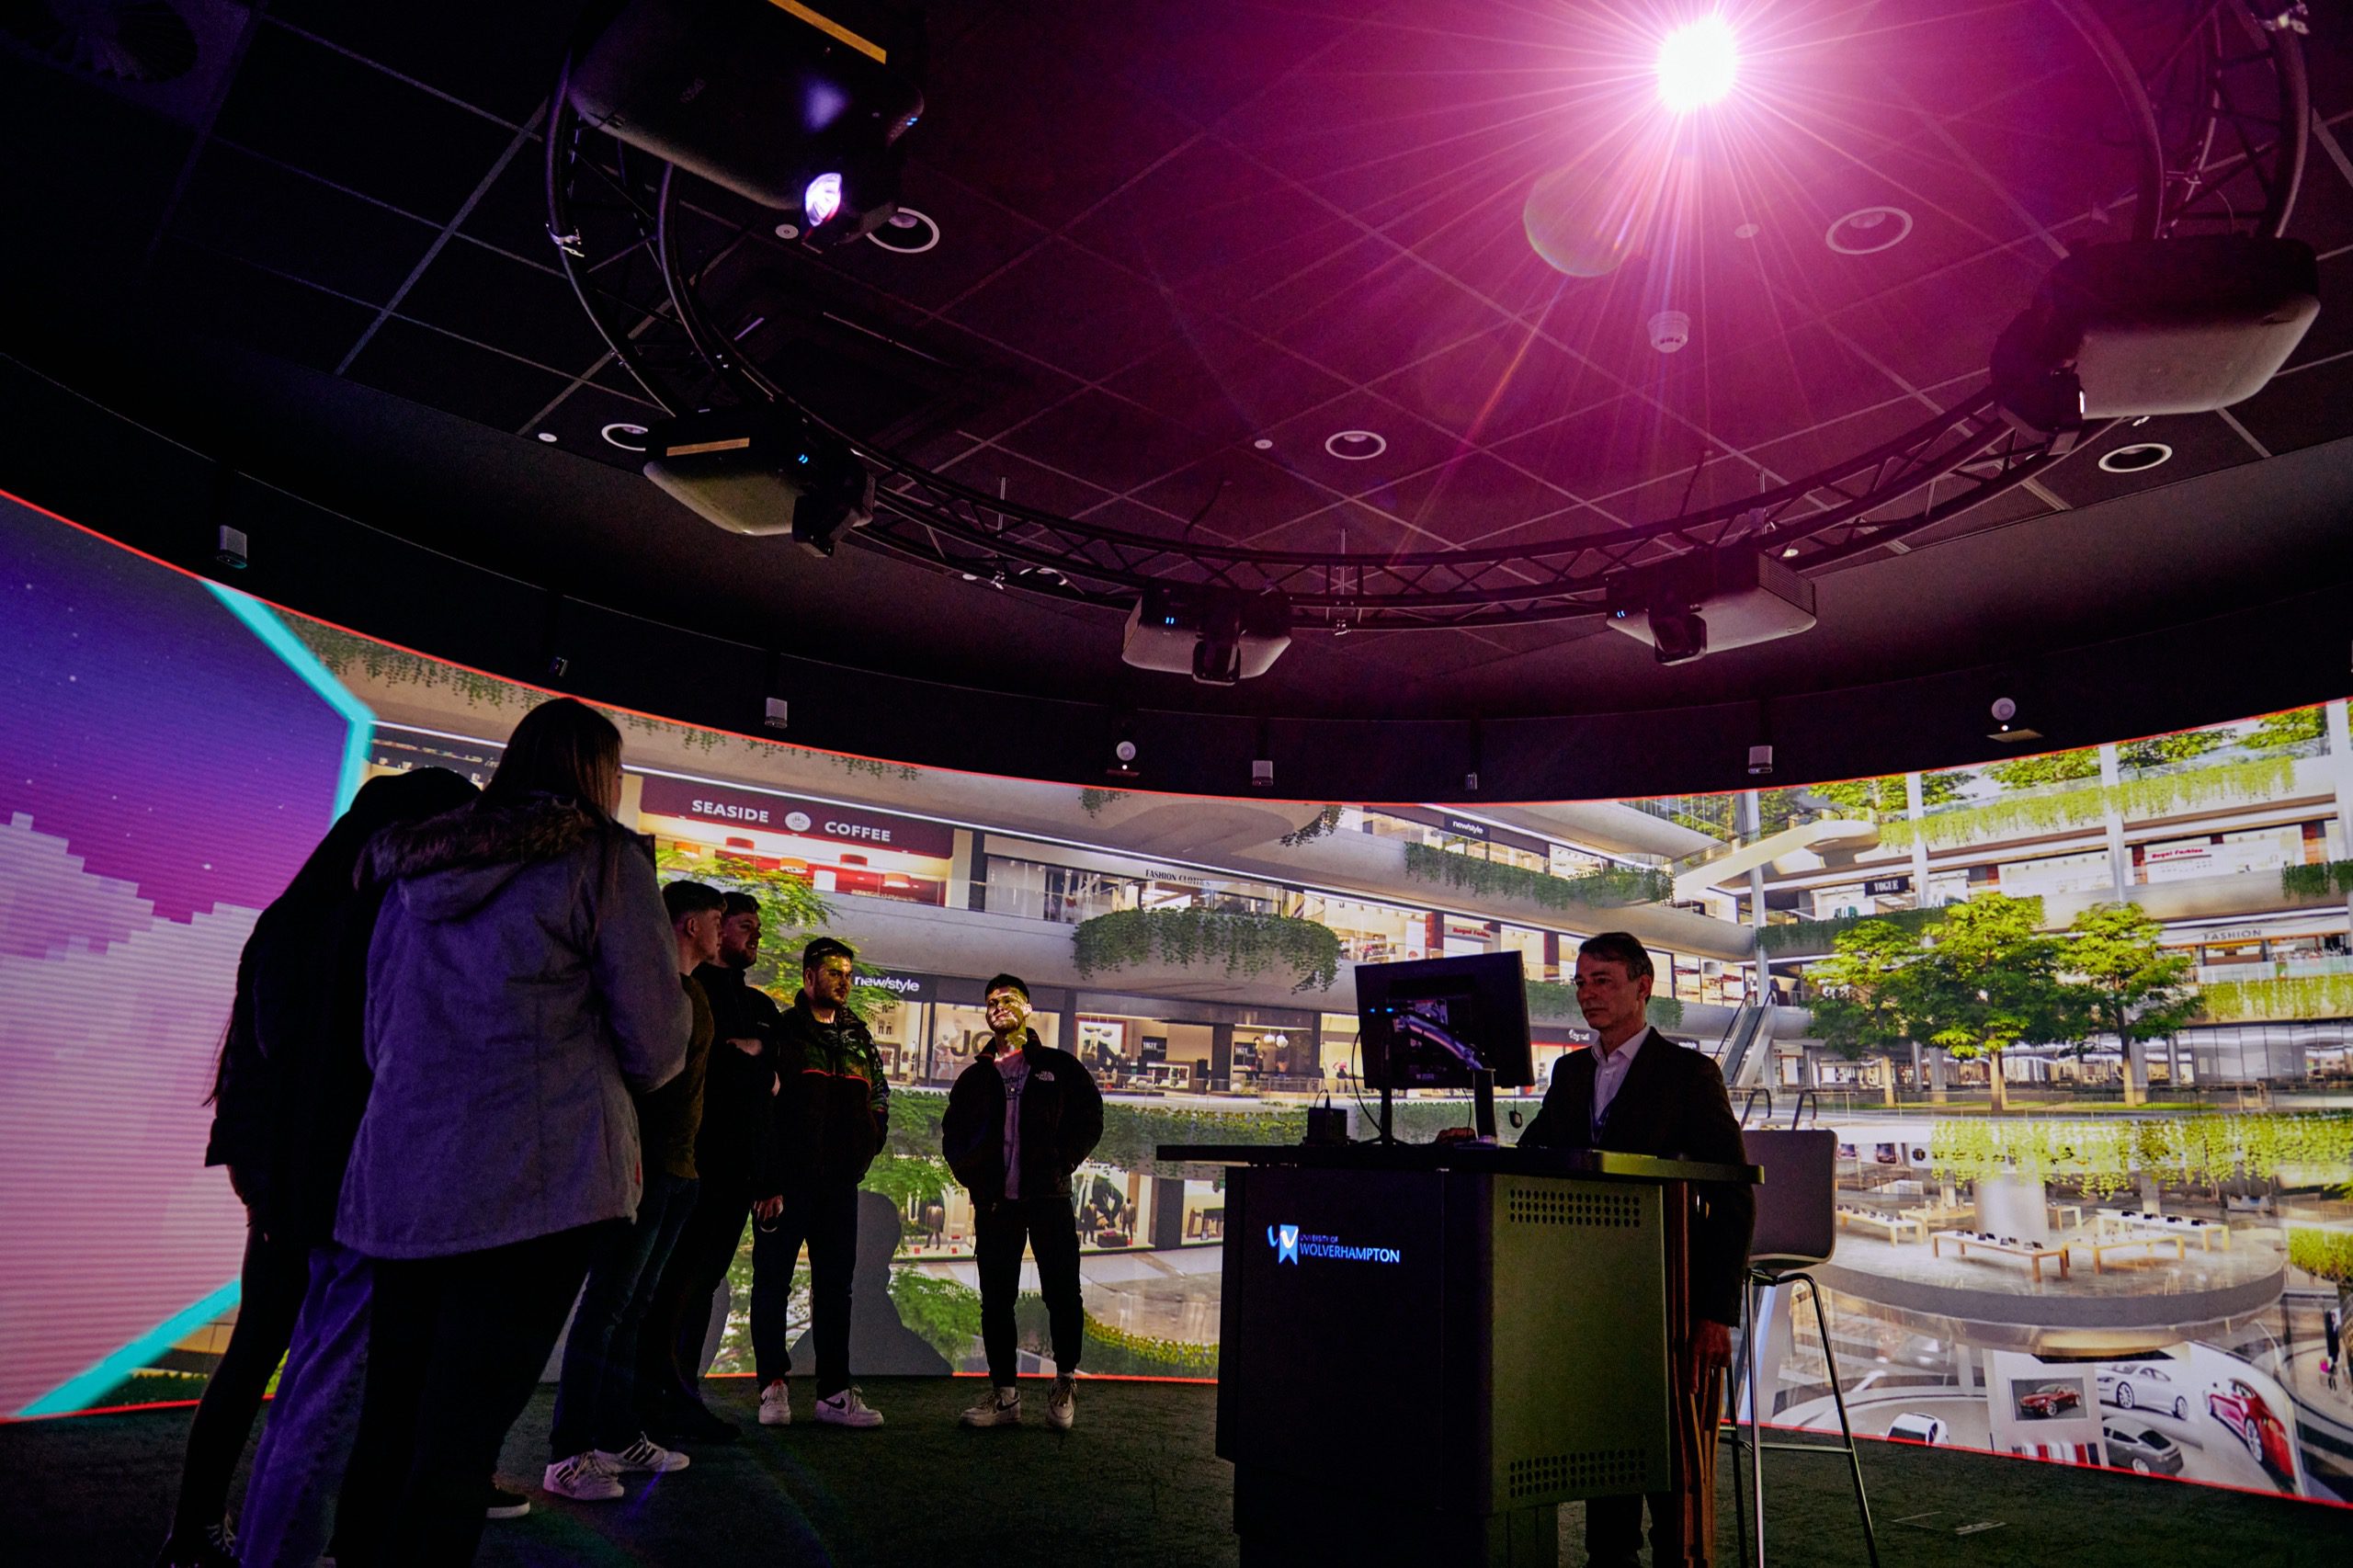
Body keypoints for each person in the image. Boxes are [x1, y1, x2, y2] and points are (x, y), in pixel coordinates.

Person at [329, 699, 688, 1565]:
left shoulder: (415, 867)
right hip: (539, 1183)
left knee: (393, 1421)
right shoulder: (603, 862)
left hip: (404, 1178)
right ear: (599, 774)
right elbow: (657, 1045)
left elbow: (379, 1034)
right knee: (464, 1436)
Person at [154, 769, 478, 1568]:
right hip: (330, 1180)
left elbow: (257, 1065)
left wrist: (260, 1178)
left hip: (286, 1177)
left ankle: (198, 1534)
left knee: (265, 1357)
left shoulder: (296, 916)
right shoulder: (370, 922)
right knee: (320, 1382)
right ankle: (249, 1538)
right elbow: (335, 1069)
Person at [1520, 933, 1754, 1568]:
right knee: (1608, 1447)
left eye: (1602, 979)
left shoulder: (1689, 1075)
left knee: (1672, 1464)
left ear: (1642, 985)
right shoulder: (1570, 1072)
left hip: (1668, 1290)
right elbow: (1536, 1157)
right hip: (1592, 1293)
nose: (1586, 993)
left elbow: (1732, 1197)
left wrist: (1716, 1312)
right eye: (1581, 981)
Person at [542, 879, 724, 1499]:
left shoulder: (696, 992)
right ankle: (568, 1452)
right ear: (689, 925)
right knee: (607, 1308)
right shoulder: (650, 990)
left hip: (679, 1174)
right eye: (716, 919)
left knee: (634, 1308)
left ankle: (616, 1436)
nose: (725, 930)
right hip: (640, 1171)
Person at [638, 891, 786, 1442]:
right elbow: (717, 1073)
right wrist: (753, 1064)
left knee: (696, 1290)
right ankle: (658, 1400)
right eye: (742, 924)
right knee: (673, 1288)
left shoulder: (756, 1005)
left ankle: (678, 1397)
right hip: (692, 1165)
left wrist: (767, 1176)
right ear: (710, 929)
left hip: (734, 1174)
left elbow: (772, 1077)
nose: (752, 936)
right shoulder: (691, 990)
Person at [942, 974, 1103, 1431]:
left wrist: (1062, 1162)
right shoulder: (976, 1077)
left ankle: (1065, 1381)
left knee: (1062, 1293)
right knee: (996, 1299)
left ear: (1029, 1009)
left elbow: (1091, 1117)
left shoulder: (1059, 1067)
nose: (998, 1006)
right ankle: (1005, 1395)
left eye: (1008, 998)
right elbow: (953, 1135)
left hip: (1048, 1198)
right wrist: (974, 1180)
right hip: (996, 1204)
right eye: (991, 1001)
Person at [752, 936, 890, 1428]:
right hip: (785, 1185)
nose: (844, 982)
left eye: (849, 974)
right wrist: (766, 1181)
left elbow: (879, 1097)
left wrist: (866, 1149)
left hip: (839, 1186)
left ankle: (833, 1393)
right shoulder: (784, 1034)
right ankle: (772, 1386)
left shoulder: (859, 1037)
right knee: (772, 1283)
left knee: (837, 1288)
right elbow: (762, 1109)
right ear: (808, 977)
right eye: (834, 972)